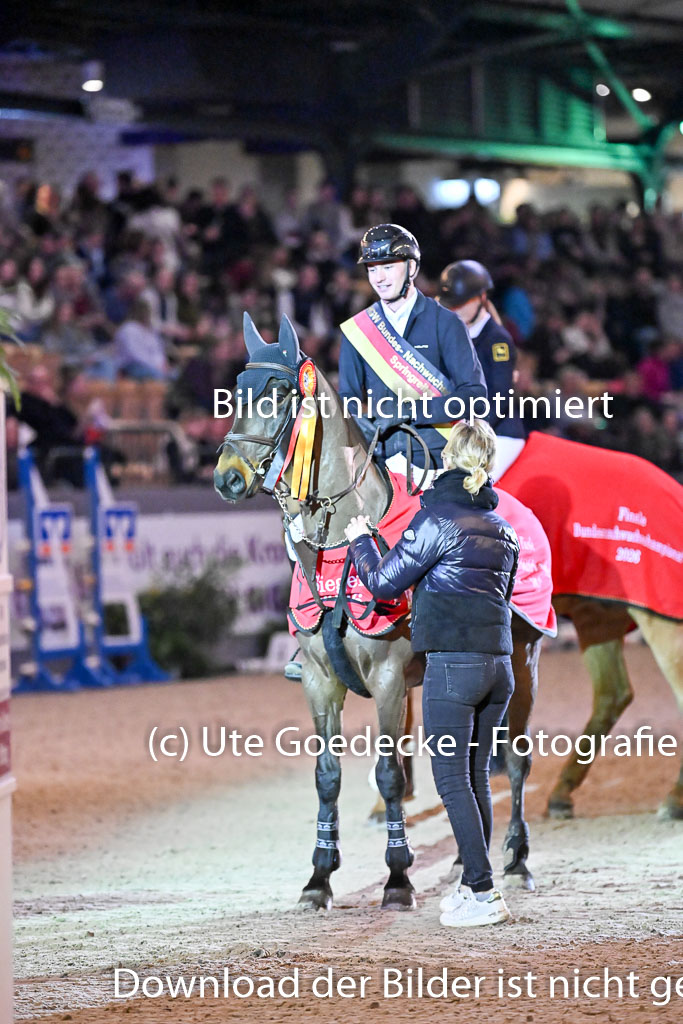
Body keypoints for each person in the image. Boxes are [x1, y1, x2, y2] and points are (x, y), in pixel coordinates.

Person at [344, 420, 519, 928]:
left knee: (451, 781)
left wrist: (360, 541)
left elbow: (383, 582)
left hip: (453, 667)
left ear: (448, 459)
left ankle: (482, 891)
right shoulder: (504, 529)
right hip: (499, 667)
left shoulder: (436, 519)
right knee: (475, 778)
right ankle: (472, 885)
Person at [338, 224, 486, 477]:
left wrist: (410, 411)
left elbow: (475, 397)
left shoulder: (446, 323)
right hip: (379, 462)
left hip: (438, 460)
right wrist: (355, 421)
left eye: (388, 267)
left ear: (412, 268)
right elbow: (347, 399)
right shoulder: (357, 330)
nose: (379, 278)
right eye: (372, 269)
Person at [439, 259, 525, 481]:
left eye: (462, 303)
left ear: (481, 298)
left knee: (469, 484)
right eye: (452, 304)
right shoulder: (454, 335)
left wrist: (468, 434)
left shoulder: (497, 340)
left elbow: (500, 397)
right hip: (465, 429)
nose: (455, 310)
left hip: (498, 434)